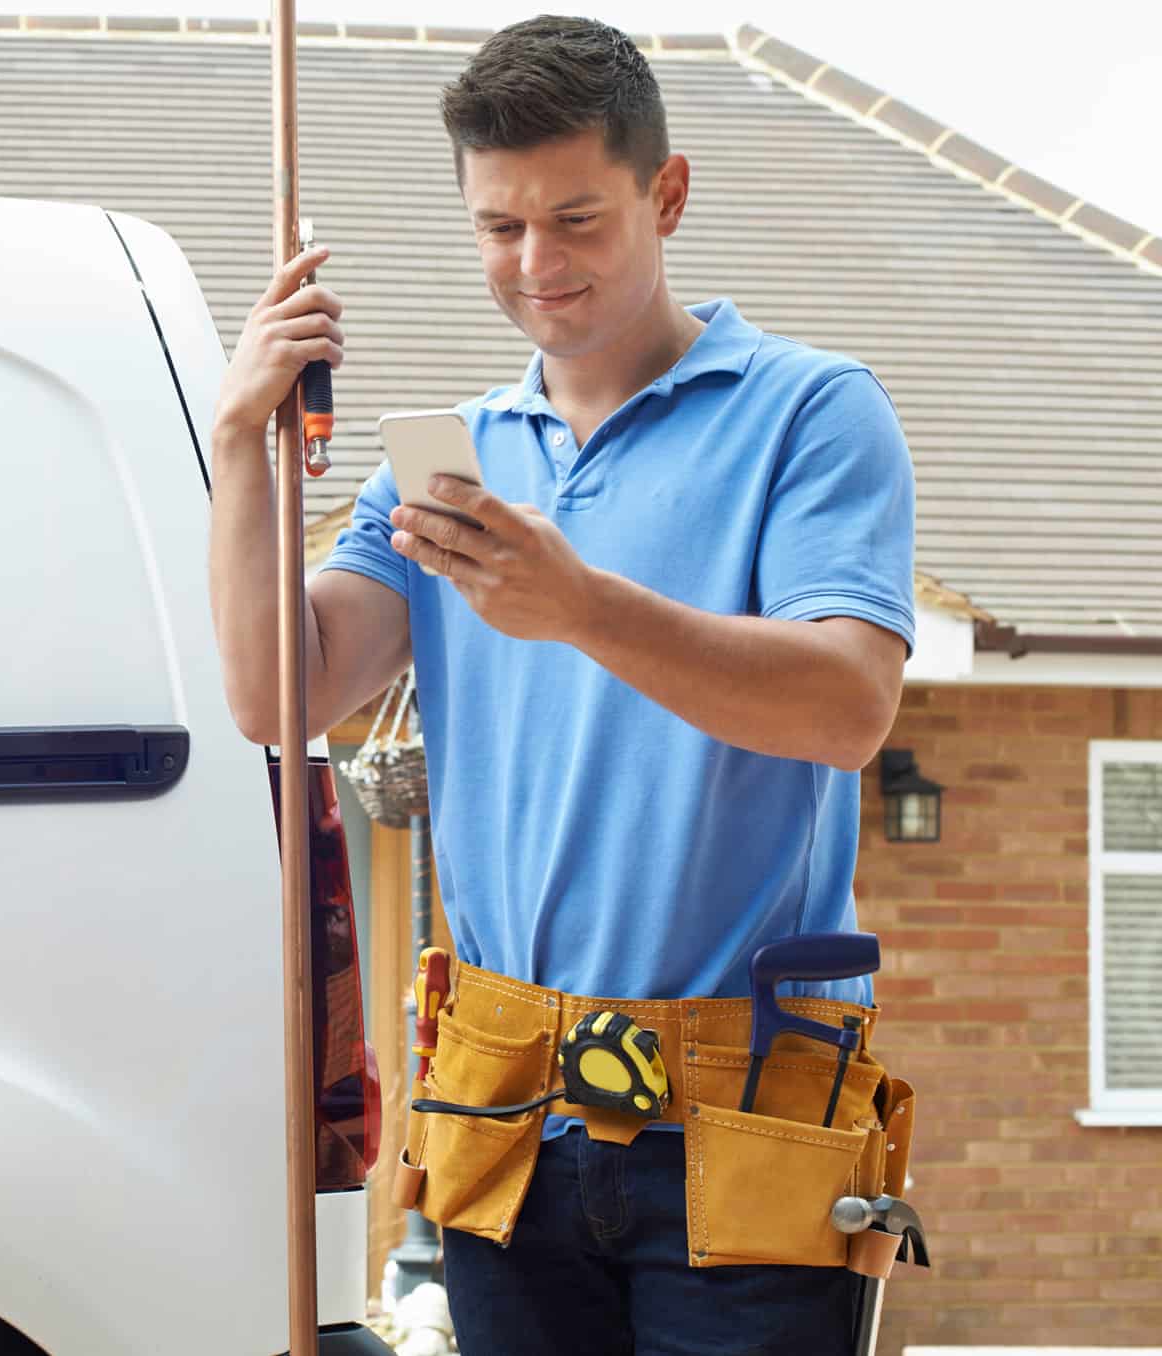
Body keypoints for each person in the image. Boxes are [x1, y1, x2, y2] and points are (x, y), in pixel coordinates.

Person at [207, 15, 916, 1355]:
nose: (536, 265)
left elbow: (844, 707)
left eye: (575, 219)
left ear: (667, 192)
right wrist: (240, 436)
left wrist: (578, 604)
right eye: (497, 229)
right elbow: (274, 696)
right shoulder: (447, 462)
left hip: (741, 1118)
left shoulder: (809, 413)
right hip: (502, 1115)